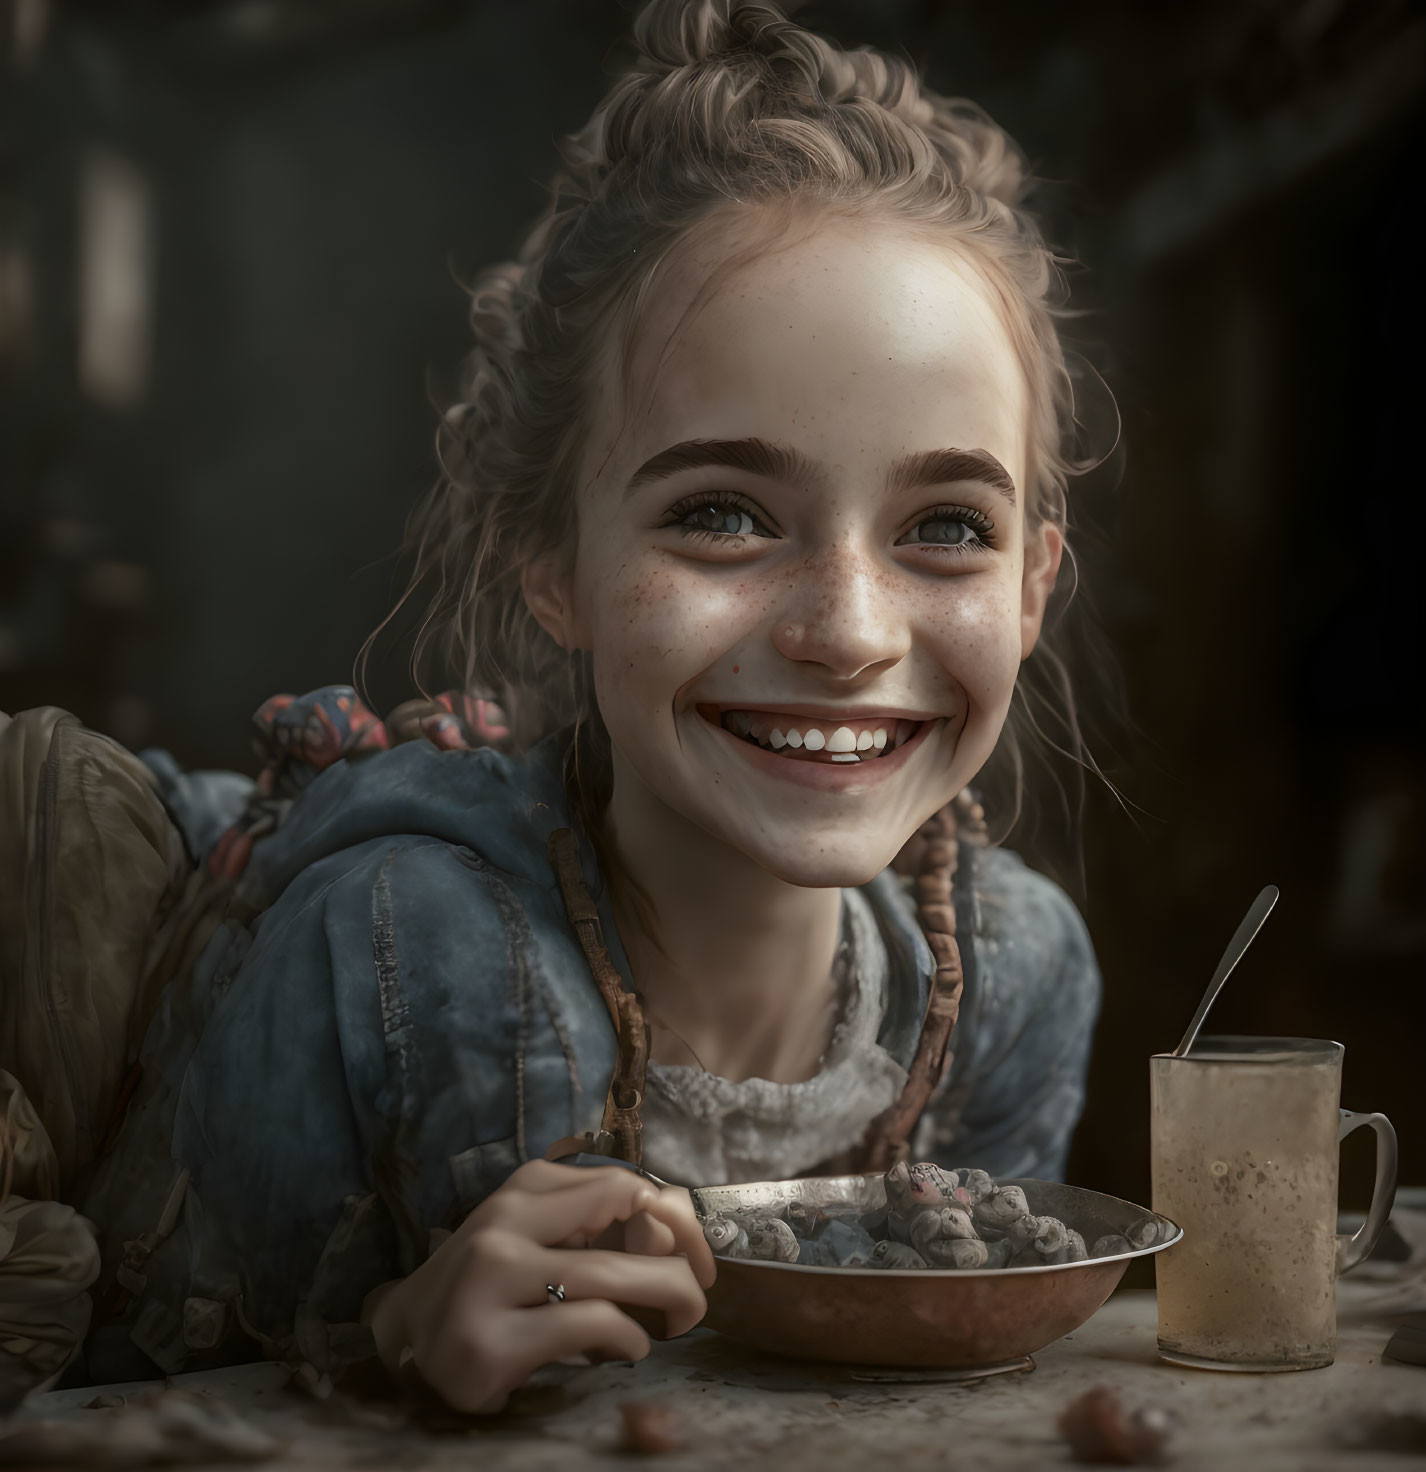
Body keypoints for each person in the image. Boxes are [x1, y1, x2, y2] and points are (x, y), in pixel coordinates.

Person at [6, 0, 1111, 1415]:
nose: (846, 632)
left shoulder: (1012, 978)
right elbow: (104, 1402)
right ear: (551, 564)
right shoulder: (408, 956)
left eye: (946, 528)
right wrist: (386, 1340)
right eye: (721, 514)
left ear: (1031, 585)